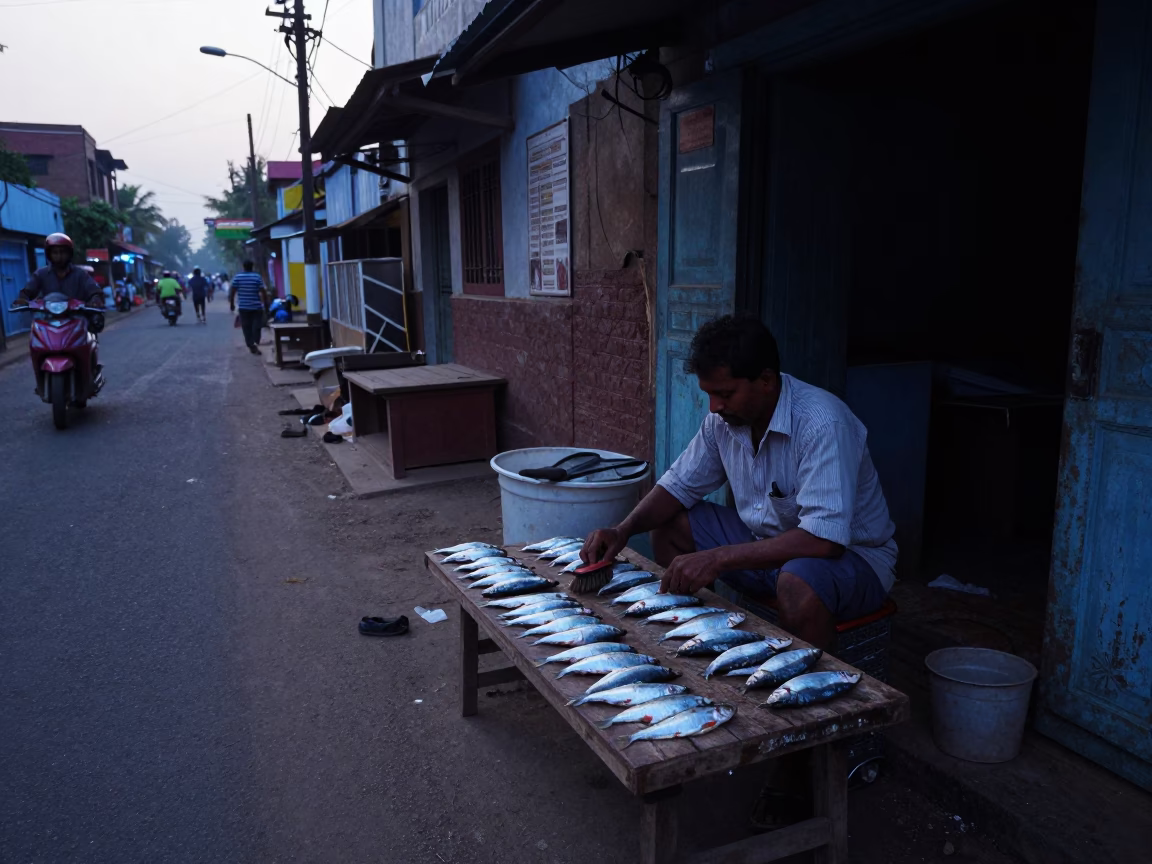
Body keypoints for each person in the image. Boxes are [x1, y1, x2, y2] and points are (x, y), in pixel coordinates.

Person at [581, 314, 897, 652]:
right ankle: (696, 641)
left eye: (725, 394)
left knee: (797, 582)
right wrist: (624, 530)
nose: (715, 407)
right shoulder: (723, 421)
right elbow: (679, 486)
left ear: (765, 380)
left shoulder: (823, 423)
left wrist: (718, 559)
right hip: (767, 545)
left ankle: (805, 686)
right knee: (670, 522)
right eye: (709, 395)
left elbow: (825, 541)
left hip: (849, 561)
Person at [15, 233, 104, 308]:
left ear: (69, 253)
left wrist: (95, 299)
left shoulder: (80, 274)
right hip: (48, 320)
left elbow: (93, 289)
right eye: (55, 252)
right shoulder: (40, 274)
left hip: (76, 319)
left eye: (63, 252)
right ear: (49, 254)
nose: (59, 256)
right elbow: (27, 291)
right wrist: (22, 299)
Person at [229, 260, 268, 355]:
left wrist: (232, 303)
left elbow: (232, 291)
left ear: (243, 267)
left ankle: (251, 344)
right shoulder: (257, 277)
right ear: (252, 267)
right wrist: (266, 303)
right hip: (256, 306)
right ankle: (254, 343)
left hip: (243, 307)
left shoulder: (238, 277)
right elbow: (263, 291)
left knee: (246, 327)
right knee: (257, 326)